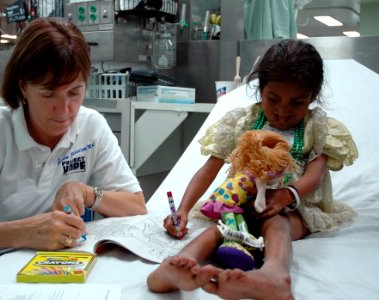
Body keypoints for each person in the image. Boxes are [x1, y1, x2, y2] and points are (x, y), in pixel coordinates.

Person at [0, 18, 147, 278]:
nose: (64, 110)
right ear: (23, 87)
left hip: (25, 265)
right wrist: (26, 232)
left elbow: (136, 206)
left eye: (74, 93)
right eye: (48, 94)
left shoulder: (91, 126)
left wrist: (87, 193)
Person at [147, 39, 358, 299]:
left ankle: (275, 274)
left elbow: (315, 176)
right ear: (261, 90)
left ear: (312, 96)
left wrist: (286, 195)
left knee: (275, 224)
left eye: (297, 103)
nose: (282, 112)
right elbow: (208, 170)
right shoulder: (243, 122)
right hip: (242, 205)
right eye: (273, 99)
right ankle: (179, 264)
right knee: (222, 228)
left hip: (293, 209)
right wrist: (182, 210)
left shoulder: (318, 127)